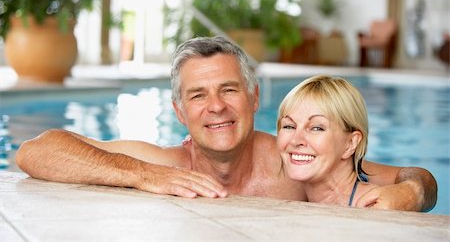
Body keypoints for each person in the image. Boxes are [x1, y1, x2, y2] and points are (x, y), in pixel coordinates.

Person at [16, 36, 437, 211]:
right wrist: (142, 175)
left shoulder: (294, 160)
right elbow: (36, 150)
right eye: (198, 95)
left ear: (255, 97)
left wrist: (411, 191)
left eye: (229, 90)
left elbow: (416, 177)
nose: (216, 107)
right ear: (180, 113)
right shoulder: (166, 165)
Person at [277, 75, 377, 207]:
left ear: (351, 143)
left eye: (317, 128)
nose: (296, 140)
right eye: (289, 126)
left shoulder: (372, 206)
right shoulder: (287, 194)